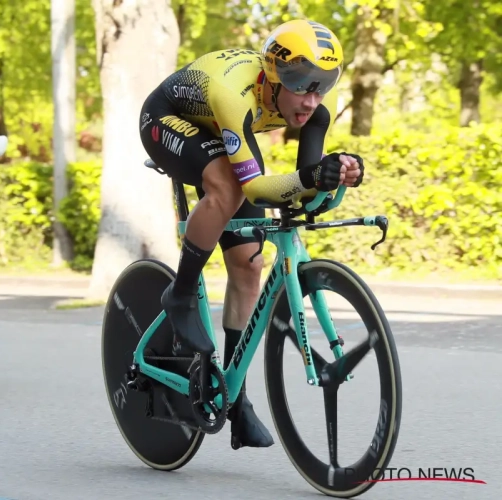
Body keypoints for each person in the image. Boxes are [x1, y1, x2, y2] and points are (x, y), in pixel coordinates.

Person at [138, 19, 365, 449]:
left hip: (220, 130)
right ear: (275, 77)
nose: (311, 100)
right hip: (166, 118)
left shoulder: (316, 106)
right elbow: (258, 188)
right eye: (301, 86)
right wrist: (312, 176)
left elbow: (305, 188)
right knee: (225, 184)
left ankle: (235, 396)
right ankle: (181, 292)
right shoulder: (236, 91)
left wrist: (338, 174)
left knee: (249, 264)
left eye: (321, 87)